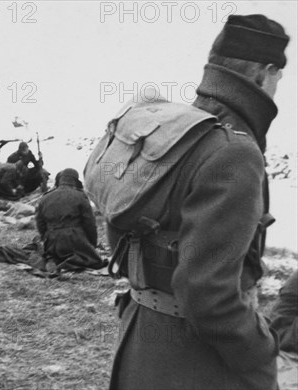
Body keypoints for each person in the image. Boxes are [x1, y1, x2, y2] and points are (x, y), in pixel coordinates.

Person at [84, 15, 289, 390]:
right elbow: (208, 295)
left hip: (141, 339)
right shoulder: (234, 152)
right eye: (279, 77)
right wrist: (259, 351)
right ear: (268, 72)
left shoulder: (172, 133)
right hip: (199, 361)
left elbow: (121, 225)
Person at [35, 168, 105, 271]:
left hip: (52, 242)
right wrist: (92, 244)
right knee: (95, 261)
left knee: (55, 255)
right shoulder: (80, 196)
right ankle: (67, 263)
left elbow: (40, 224)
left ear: (59, 180)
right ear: (75, 181)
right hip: (75, 240)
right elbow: (90, 224)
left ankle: (53, 259)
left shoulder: (44, 198)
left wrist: (46, 238)